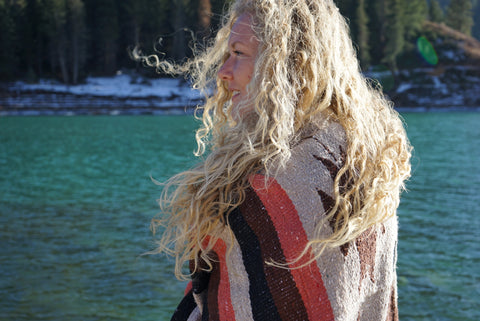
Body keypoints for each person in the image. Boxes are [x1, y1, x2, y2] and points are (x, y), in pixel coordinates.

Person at [144, 0, 411, 320]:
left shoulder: (270, 187)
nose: (224, 72)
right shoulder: (367, 160)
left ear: (288, 62)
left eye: (238, 53)